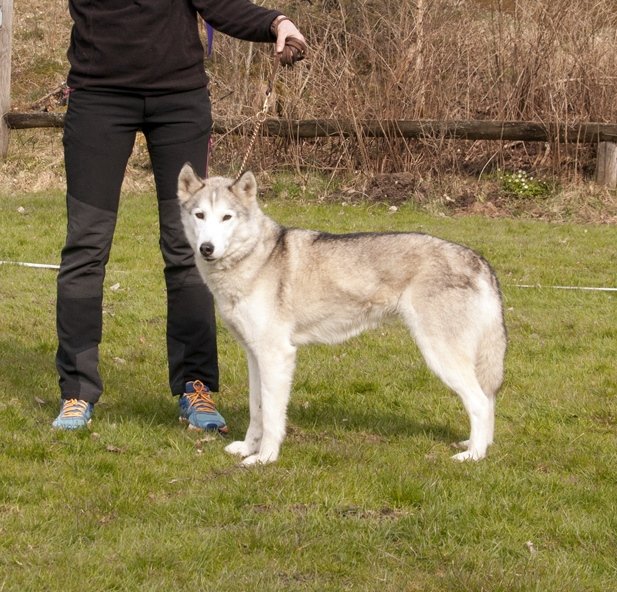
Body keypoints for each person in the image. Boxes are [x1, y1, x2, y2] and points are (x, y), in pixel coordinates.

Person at [52, 1, 307, 431]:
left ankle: (196, 387)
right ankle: (77, 392)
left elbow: (218, 4)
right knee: (86, 246)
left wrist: (276, 23)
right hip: (98, 99)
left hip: (179, 101)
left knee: (188, 250)